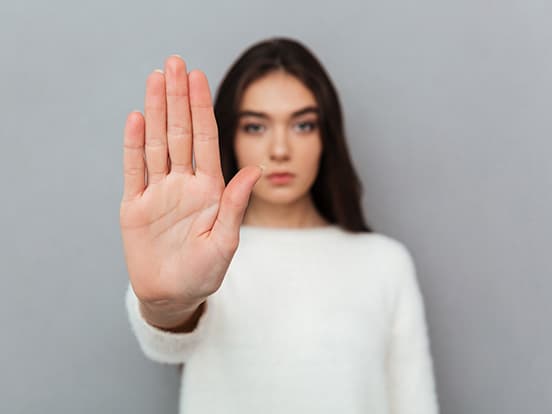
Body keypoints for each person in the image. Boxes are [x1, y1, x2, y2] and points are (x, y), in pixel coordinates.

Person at [120, 37, 439, 413]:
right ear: (231, 137)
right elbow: (166, 339)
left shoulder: (384, 263)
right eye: (256, 127)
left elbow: (414, 403)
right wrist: (168, 305)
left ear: (326, 136)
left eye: (303, 125)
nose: (280, 150)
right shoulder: (199, 252)